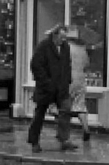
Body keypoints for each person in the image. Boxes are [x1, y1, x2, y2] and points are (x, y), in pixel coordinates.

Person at [27, 24, 78, 153]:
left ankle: (64, 139)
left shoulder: (65, 47)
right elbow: (35, 65)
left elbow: (67, 65)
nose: (63, 40)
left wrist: (68, 80)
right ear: (54, 35)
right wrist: (46, 82)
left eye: (65, 37)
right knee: (39, 114)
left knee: (65, 111)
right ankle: (34, 141)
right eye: (61, 37)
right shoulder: (43, 46)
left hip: (62, 87)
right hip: (46, 88)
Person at [67, 28, 91, 141]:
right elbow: (87, 65)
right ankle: (86, 128)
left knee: (64, 106)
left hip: (68, 79)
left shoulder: (66, 48)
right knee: (80, 106)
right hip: (80, 79)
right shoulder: (82, 49)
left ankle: (64, 134)